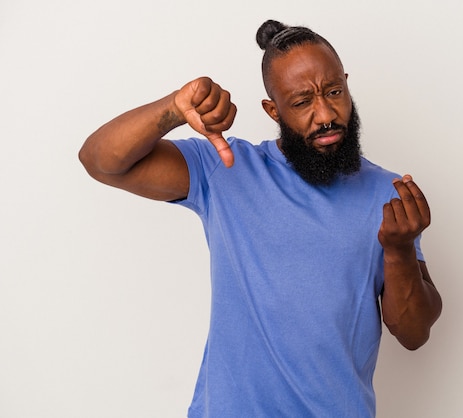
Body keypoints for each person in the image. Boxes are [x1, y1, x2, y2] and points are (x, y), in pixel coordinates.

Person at [79, 19, 442, 418]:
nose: (325, 114)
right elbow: (100, 161)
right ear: (274, 110)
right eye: (303, 101)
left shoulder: (387, 193)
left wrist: (399, 249)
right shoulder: (226, 169)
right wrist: (172, 109)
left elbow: (413, 333)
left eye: (335, 92)